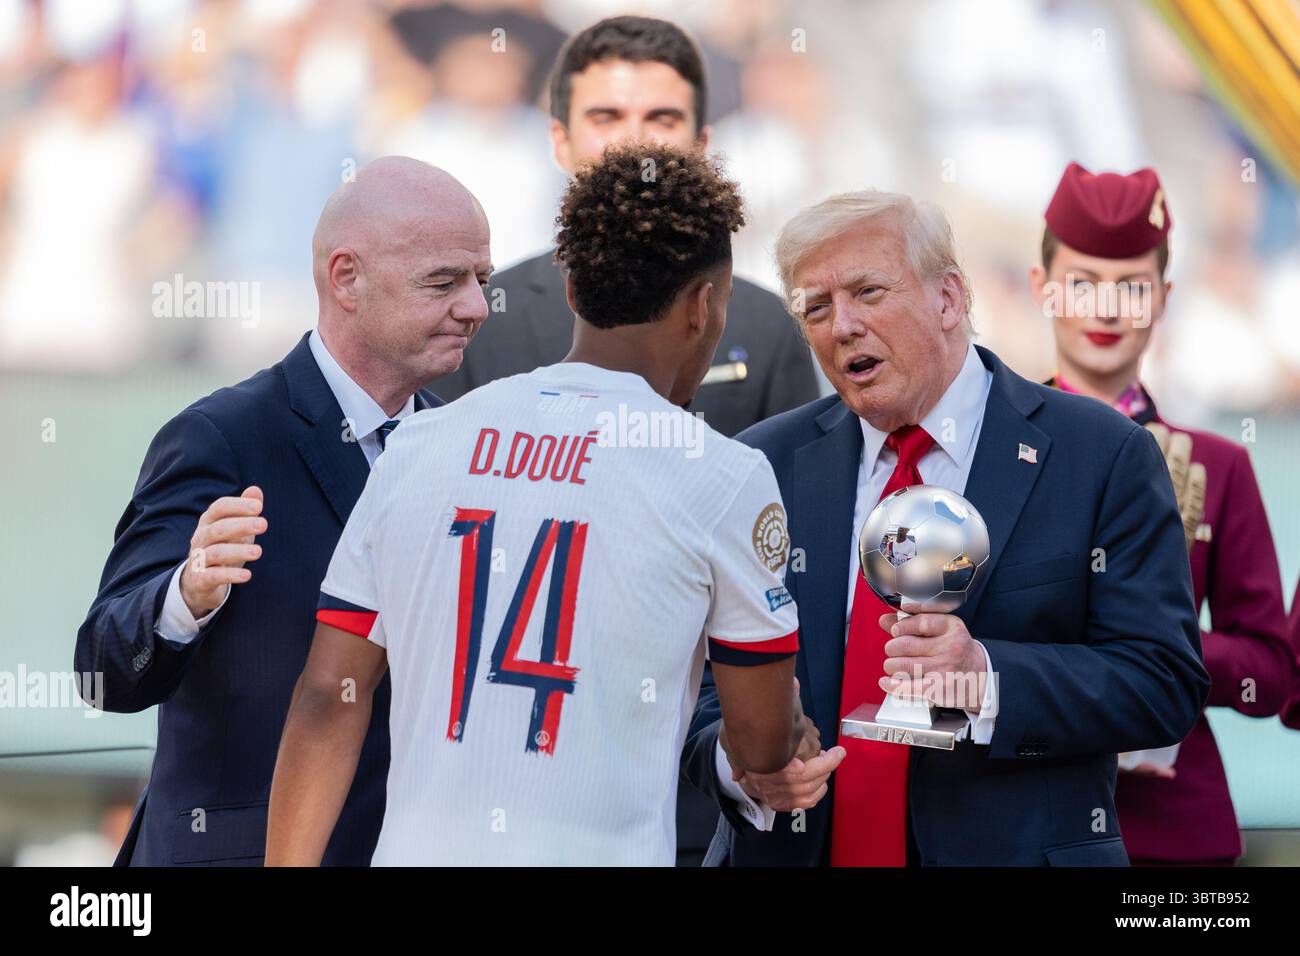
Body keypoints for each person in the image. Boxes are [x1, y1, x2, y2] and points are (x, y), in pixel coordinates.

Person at [266, 143, 809, 867]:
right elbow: (761, 746)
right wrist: (788, 724)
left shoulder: (421, 443)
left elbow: (326, 697)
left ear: (574, 292)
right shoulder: (723, 473)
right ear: (704, 307)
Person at [682, 188, 1211, 866]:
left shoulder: (1101, 454)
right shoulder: (760, 463)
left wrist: (985, 676)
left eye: (868, 292)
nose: (841, 326)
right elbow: (696, 690)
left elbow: (1162, 682)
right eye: (815, 307)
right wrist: (743, 762)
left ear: (950, 299)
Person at [75, 157, 491, 865]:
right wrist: (184, 596)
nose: (477, 306)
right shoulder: (223, 435)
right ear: (346, 278)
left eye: (485, 279)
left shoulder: (474, 448)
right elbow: (102, 673)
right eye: (445, 282)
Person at [1032, 162, 1292, 866]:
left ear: (1164, 297)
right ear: (1042, 288)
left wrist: (1155, 641)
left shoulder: (1218, 465)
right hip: (1025, 819)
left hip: (1172, 836)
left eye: (1133, 286)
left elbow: (1271, 674)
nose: (1108, 311)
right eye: (1083, 283)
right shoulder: (987, 453)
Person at [433, 15, 819, 441]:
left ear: (701, 145)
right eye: (606, 117)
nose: (636, 142)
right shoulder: (477, 320)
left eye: (663, 118)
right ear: (560, 141)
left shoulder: (770, 327)